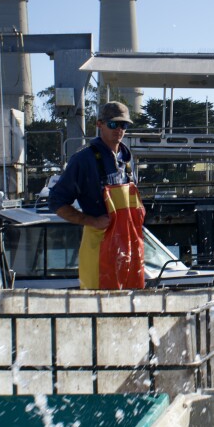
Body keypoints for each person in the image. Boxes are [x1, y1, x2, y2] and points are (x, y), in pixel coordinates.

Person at [48, 101, 146, 290]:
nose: (118, 129)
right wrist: (92, 221)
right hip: (100, 245)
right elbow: (56, 202)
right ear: (99, 124)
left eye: (123, 125)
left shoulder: (127, 159)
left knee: (131, 301)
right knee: (99, 304)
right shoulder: (83, 159)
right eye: (112, 124)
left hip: (129, 246)